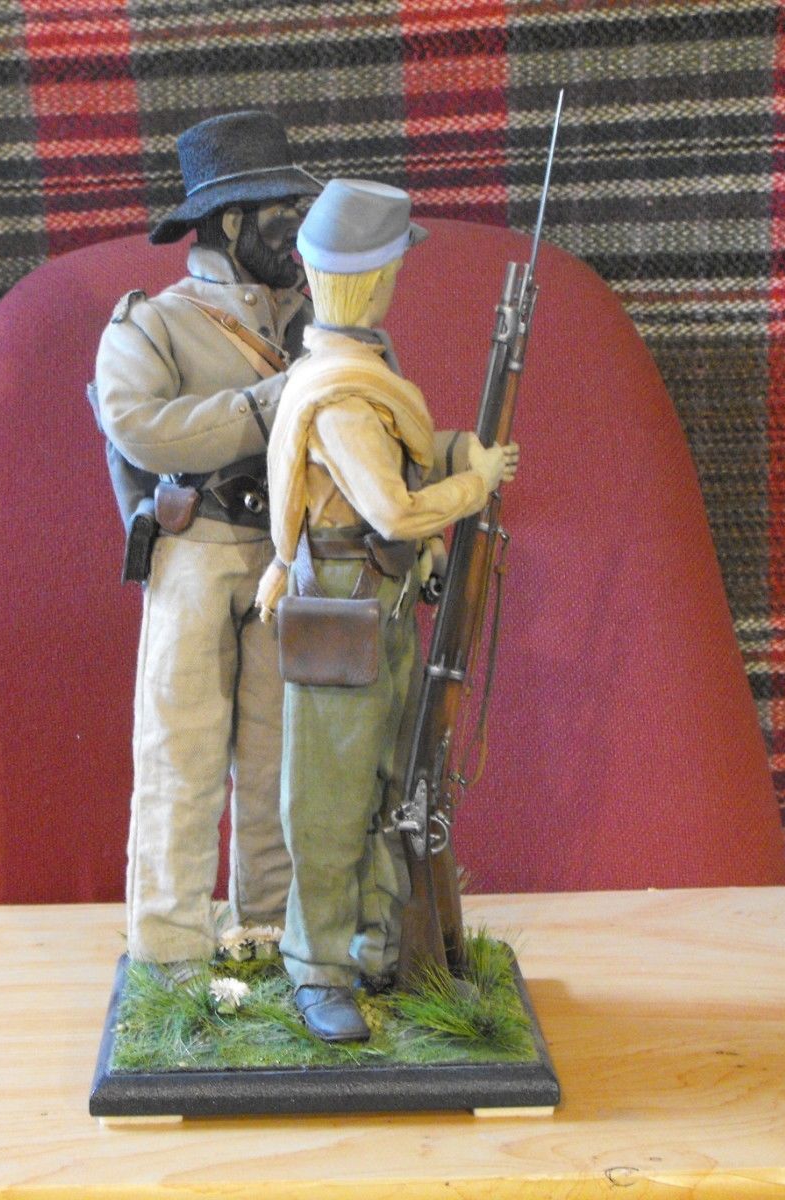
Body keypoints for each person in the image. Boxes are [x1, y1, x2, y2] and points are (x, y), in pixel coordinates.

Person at [256, 179, 519, 1042]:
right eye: (392, 273)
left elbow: (396, 463)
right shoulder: (341, 394)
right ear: (371, 281)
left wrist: (455, 449)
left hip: (382, 600)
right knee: (328, 802)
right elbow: (393, 509)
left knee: (390, 787)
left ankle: (378, 949)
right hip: (343, 603)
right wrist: (474, 483)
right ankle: (318, 967)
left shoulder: (364, 369)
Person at [91, 111, 320, 975]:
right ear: (231, 222)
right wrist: (271, 404)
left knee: (277, 762)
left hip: (286, 554)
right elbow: (139, 427)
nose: (298, 234)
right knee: (179, 756)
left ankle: (267, 935)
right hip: (195, 555)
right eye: (282, 216)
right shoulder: (151, 326)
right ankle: (170, 955)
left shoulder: (317, 324)